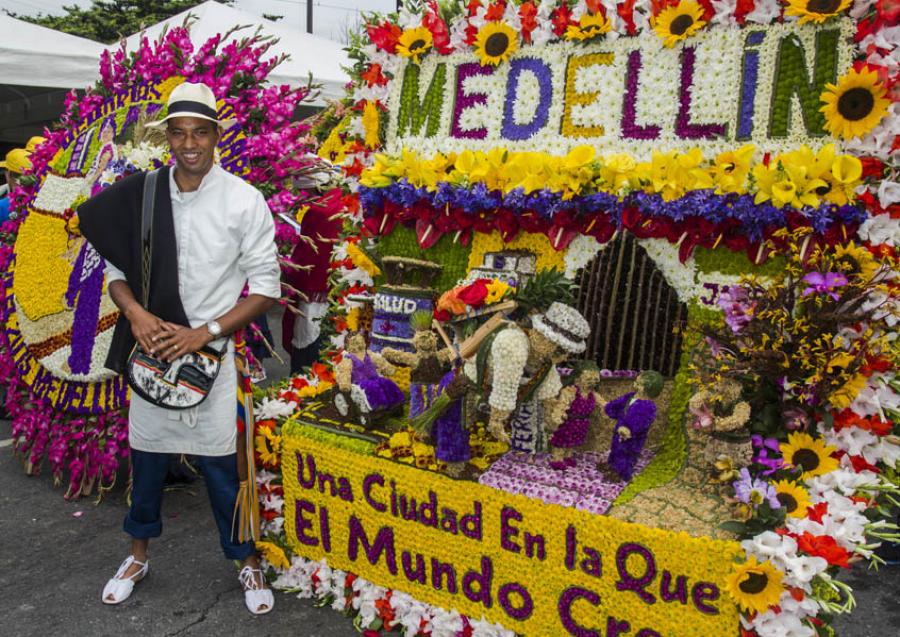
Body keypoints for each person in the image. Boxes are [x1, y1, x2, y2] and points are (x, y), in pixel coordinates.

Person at [77, 82, 281, 615]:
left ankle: (246, 560)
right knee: (146, 462)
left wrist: (205, 332)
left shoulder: (243, 200)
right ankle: (137, 555)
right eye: (179, 132)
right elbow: (117, 274)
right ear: (167, 136)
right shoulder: (142, 195)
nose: (189, 143)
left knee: (222, 468)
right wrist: (137, 314)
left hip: (211, 358)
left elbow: (265, 287)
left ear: (218, 135)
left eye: (200, 132)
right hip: (153, 355)